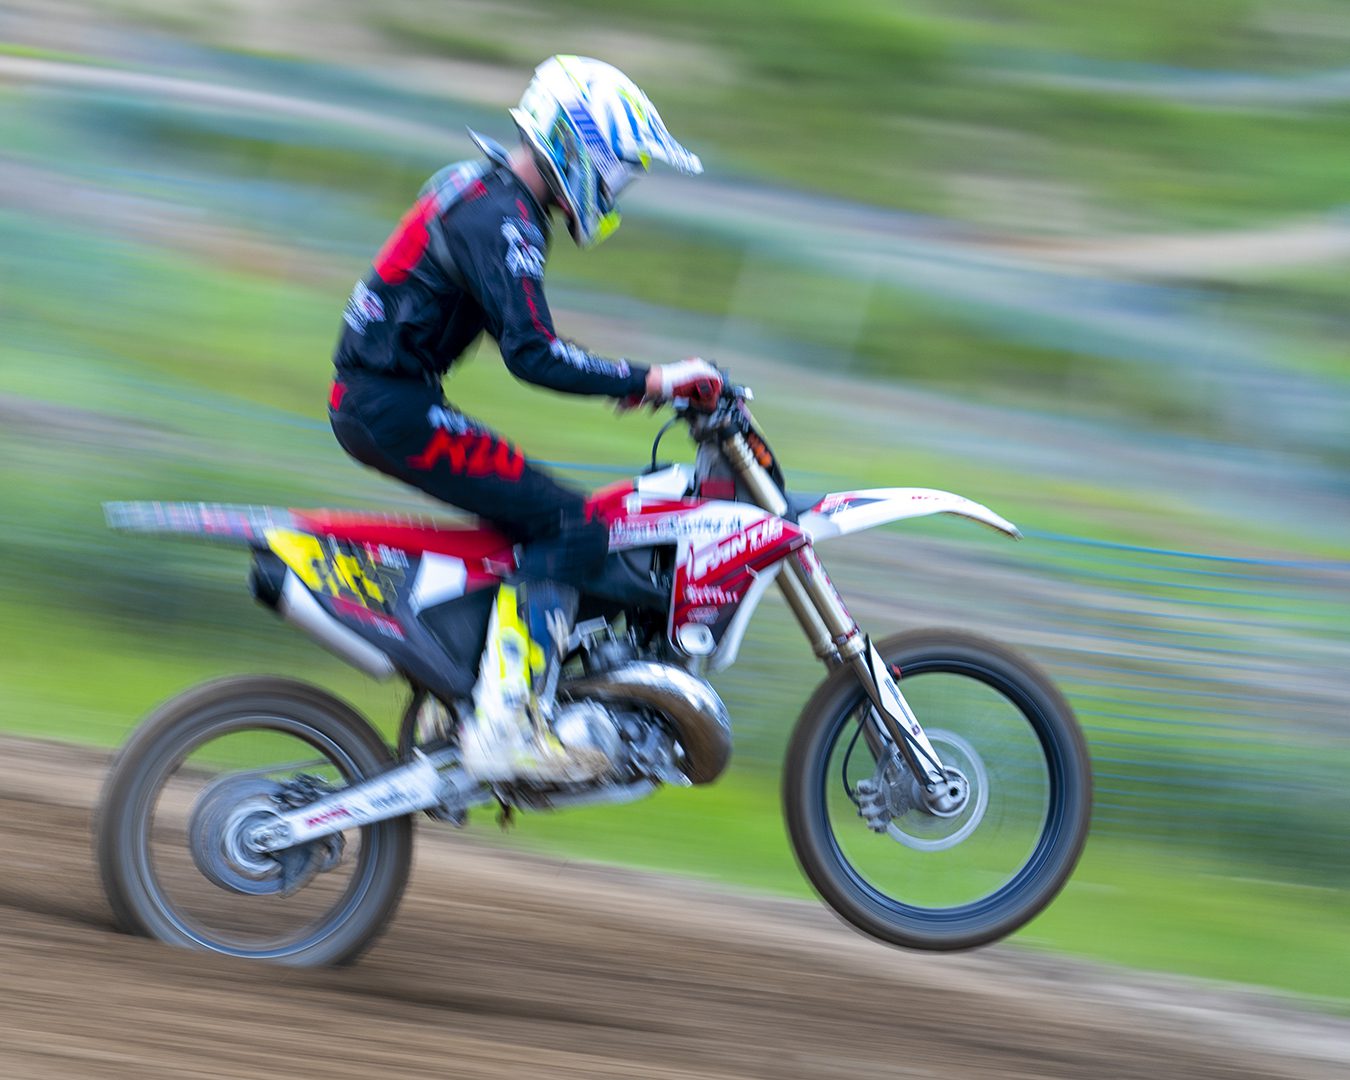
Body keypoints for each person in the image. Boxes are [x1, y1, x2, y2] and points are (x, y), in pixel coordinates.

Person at [328, 55, 722, 783]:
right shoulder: (504, 220)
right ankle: (507, 726)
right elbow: (533, 354)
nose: (617, 187)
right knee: (573, 526)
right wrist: (652, 379)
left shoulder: (477, 187)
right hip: (392, 406)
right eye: (619, 168)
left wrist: (631, 383)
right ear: (577, 145)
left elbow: (505, 325)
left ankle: (463, 699)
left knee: (530, 523)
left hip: (385, 399)